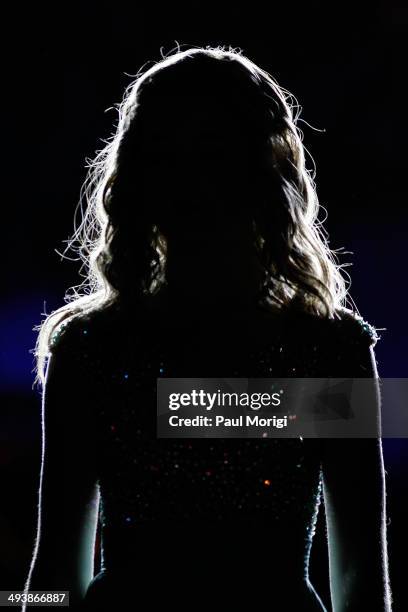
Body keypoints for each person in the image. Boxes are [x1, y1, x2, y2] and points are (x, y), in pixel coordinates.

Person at [24, 45, 392, 611]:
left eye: (213, 156)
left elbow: (52, 578)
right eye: (175, 158)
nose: (196, 185)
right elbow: (360, 581)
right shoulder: (326, 349)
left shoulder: (92, 349)